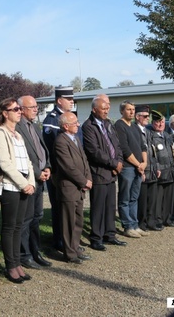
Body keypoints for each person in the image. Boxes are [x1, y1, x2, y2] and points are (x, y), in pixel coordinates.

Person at [0, 98, 36, 284]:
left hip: (24, 184)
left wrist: (30, 182)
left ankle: (17, 263)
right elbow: (5, 163)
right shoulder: (0, 134)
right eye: (15, 109)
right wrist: (23, 184)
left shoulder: (18, 134)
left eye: (19, 108)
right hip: (10, 186)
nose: (19, 111)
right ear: (4, 113)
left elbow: (28, 161)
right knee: (9, 227)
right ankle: (10, 265)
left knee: (19, 226)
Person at [82, 95, 126, 251]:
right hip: (99, 172)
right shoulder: (88, 126)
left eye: (108, 107)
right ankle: (96, 238)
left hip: (112, 172)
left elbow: (116, 145)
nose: (107, 110)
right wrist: (114, 164)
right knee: (98, 207)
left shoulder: (108, 124)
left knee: (110, 206)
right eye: (103, 108)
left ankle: (110, 234)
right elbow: (94, 151)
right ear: (94, 109)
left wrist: (119, 161)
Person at [16, 95, 52, 269]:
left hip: (41, 177)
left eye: (36, 107)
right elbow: (23, 157)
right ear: (21, 109)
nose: (36, 110)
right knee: (26, 218)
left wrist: (48, 167)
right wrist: (38, 173)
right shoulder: (17, 128)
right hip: (28, 180)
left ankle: (35, 250)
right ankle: (25, 254)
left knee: (37, 216)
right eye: (32, 107)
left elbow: (42, 150)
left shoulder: (35, 126)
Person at [52, 112, 92, 264]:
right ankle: (69, 253)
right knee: (68, 221)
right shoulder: (61, 141)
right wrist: (84, 181)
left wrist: (88, 178)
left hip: (79, 187)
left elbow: (84, 160)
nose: (78, 125)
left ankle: (75, 248)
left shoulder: (74, 139)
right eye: (74, 122)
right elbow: (68, 167)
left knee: (78, 220)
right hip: (69, 187)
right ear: (65, 126)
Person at [42, 86, 75, 251]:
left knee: (68, 207)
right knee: (59, 207)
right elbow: (52, 148)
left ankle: (69, 239)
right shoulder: (52, 120)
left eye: (72, 99)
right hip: (58, 172)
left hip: (70, 172)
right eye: (68, 99)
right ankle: (60, 240)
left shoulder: (70, 118)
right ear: (59, 100)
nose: (71, 102)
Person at [114, 100, 148, 238]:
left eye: (133, 109)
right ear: (122, 111)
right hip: (128, 168)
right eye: (129, 109)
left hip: (139, 168)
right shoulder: (119, 125)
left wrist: (144, 163)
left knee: (134, 197)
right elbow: (124, 149)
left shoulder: (135, 127)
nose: (132, 112)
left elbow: (143, 146)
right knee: (125, 197)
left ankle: (134, 224)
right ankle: (127, 226)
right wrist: (138, 164)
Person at [134, 105, 161, 231]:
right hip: (142, 169)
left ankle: (151, 221)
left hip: (152, 169)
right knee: (142, 199)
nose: (147, 119)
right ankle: (142, 223)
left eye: (148, 116)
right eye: (145, 116)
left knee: (152, 199)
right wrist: (141, 169)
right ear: (137, 117)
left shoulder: (148, 131)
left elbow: (153, 151)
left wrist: (157, 167)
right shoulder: (135, 131)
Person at [149, 110, 174, 228]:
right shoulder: (151, 135)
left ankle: (167, 218)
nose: (160, 124)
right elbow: (153, 155)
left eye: (162, 122)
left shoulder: (167, 135)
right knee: (158, 199)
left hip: (169, 170)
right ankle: (158, 220)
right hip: (160, 171)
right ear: (153, 123)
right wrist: (157, 167)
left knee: (168, 198)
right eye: (157, 122)